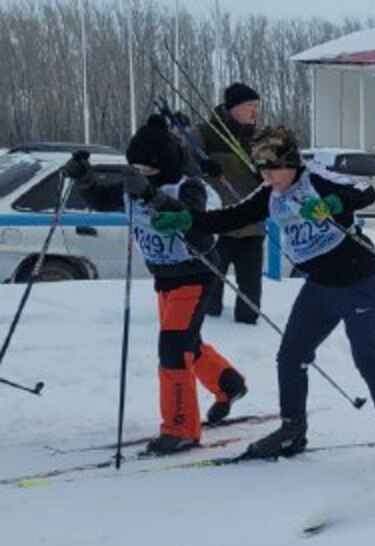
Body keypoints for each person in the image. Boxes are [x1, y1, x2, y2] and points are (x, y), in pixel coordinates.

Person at [165, 126, 375, 466]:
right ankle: (292, 429)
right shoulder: (270, 193)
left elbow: (365, 191)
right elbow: (231, 217)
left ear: (291, 162)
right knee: (291, 356)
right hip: (319, 287)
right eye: (262, 171)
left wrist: (332, 203)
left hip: (359, 282)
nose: (268, 178)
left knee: (366, 357)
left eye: (273, 169)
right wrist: (186, 219)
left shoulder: (316, 179)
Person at [62, 119, 249, 455]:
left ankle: (181, 428)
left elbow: (194, 224)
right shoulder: (134, 185)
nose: (140, 173)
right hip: (165, 277)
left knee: (173, 349)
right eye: (134, 167)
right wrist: (84, 177)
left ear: (164, 164)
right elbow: (102, 199)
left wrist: (150, 195)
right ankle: (229, 383)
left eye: (146, 168)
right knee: (186, 342)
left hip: (194, 274)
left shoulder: (188, 186)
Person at [199, 82, 265, 325]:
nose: (254, 111)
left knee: (251, 294)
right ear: (234, 107)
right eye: (250, 106)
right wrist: (202, 166)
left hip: (252, 226)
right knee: (210, 297)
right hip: (219, 225)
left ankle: (248, 331)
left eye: (256, 106)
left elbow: (282, 174)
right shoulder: (206, 133)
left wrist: (268, 173)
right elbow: (183, 161)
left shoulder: (260, 139)